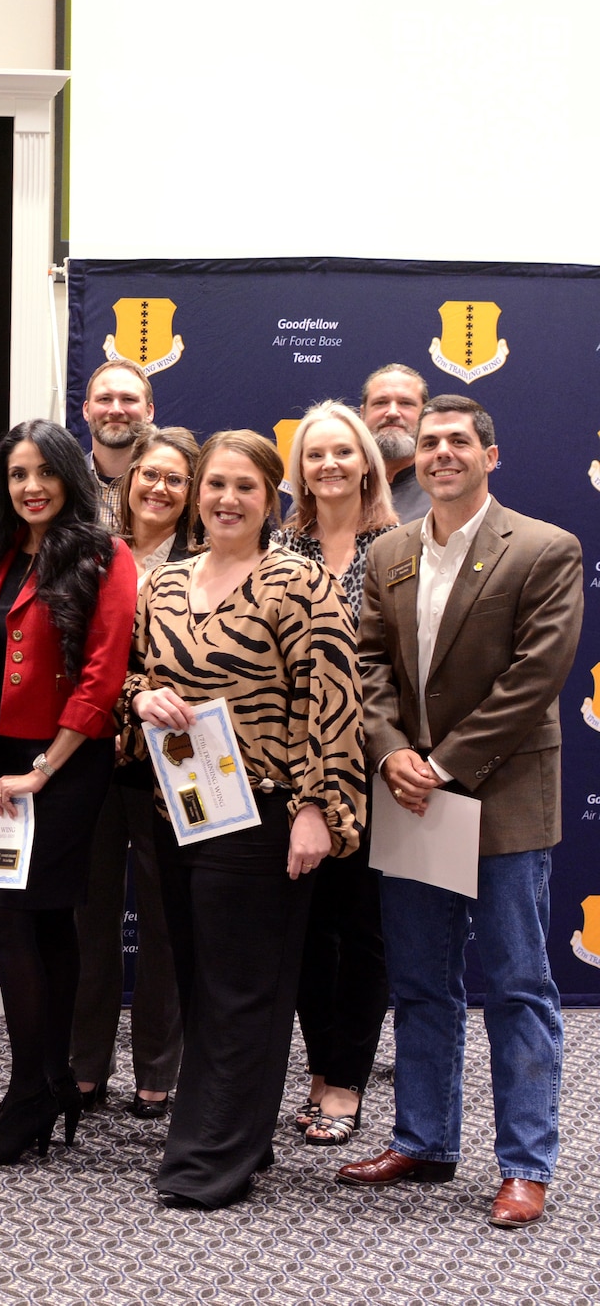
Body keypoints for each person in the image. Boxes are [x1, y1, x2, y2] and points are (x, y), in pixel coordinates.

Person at [338, 395, 582, 1231]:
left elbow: (535, 677)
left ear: (491, 454)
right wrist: (390, 749)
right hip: (409, 793)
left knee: (517, 984)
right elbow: (367, 661)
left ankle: (524, 1164)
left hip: (500, 794)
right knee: (419, 982)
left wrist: (442, 763)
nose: (442, 452)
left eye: (458, 442)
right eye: (431, 441)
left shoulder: (546, 548)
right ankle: (425, 1138)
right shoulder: (391, 551)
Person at [126, 429, 364, 1209]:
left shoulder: (297, 582)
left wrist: (317, 810)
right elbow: (135, 672)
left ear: (272, 499)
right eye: (215, 485)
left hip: (262, 812)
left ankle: (209, 1156)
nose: (226, 499)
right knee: (200, 980)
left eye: (245, 487)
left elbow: (332, 702)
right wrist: (140, 698)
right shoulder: (164, 583)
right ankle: (241, 1130)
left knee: (243, 988)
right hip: (177, 807)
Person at [0, 420, 137, 1165]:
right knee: (49, 923)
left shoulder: (105, 554)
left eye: (43, 471)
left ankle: (28, 1090)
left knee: (4, 915)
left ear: (69, 474)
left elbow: (103, 674)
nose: (30, 486)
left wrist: (42, 767)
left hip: (66, 761)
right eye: (15, 473)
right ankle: (59, 1078)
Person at [277, 402, 398, 1145]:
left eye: (342, 453)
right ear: (299, 470)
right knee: (304, 928)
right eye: (315, 454)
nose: (328, 465)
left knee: (365, 928)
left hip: (377, 769)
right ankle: (318, 1064)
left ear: (365, 464)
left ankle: (344, 1078)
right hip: (293, 768)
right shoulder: (278, 547)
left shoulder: (399, 546)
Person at [70, 427, 197, 1121]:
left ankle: (156, 1070)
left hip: (170, 766)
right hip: (93, 758)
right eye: (149, 474)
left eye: (176, 478)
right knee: (89, 922)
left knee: (164, 923)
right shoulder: (93, 554)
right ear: (128, 480)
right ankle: (85, 1066)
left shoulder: (209, 562)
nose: (158, 487)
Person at [80, 360, 156, 531]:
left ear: (149, 412)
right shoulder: (65, 484)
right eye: (104, 399)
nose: (115, 410)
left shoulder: (168, 489)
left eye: (128, 399)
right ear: (86, 410)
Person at [358, 363, 431, 524]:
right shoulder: (329, 490)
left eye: (405, 403)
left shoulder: (447, 497)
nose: (392, 413)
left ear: (425, 415)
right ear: (362, 414)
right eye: (381, 402)